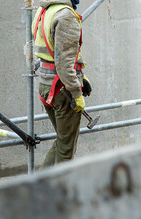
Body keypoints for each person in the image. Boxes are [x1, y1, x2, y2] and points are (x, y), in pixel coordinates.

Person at [32, 0, 92, 167]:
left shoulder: (44, 10)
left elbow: (52, 52)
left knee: (62, 141)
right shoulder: (66, 16)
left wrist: (81, 76)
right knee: (66, 149)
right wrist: (76, 92)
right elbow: (64, 63)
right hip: (62, 89)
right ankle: (57, 191)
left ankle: (39, 186)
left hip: (46, 84)